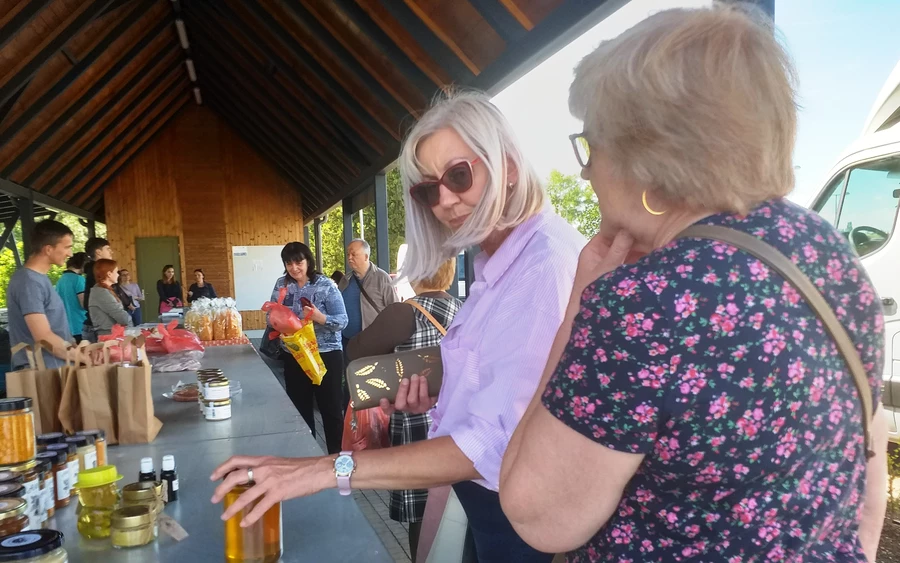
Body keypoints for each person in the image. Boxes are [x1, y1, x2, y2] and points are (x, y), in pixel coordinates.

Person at [497, 6, 888, 563]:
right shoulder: (831, 256)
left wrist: (581, 305)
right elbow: (866, 477)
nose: (587, 171)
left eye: (591, 146)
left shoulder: (644, 302)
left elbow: (537, 515)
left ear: (643, 158)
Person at [210, 92, 585, 563]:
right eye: (428, 189)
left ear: (507, 167)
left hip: (523, 523)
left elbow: (493, 444)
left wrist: (326, 469)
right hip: (488, 509)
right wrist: (444, 393)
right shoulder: (500, 264)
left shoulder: (543, 265)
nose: (444, 200)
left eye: (459, 175)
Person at [347, 258, 462, 560]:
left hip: (416, 422)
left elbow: (356, 351)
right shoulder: (464, 309)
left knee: (422, 509)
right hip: (456, 421)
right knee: (452, 504)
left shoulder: (403, 312)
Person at [268, 242, 348, 454]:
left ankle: (337, 459)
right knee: (299, 409)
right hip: (294, 354)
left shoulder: (326, 285)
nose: (294, 268)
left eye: (299, 262)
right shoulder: (282, 284)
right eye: (289, 263)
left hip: (325, 355)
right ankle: (307, 456)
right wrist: (277, 321)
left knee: (330, 409)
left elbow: (342, 321)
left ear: (308, 261)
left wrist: (319, 318)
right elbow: (272, 314)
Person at [338, 239, 398, 408]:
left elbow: (393, 310)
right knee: (350, 384)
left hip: (372, 344)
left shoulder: (382, 278)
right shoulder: (346, 280)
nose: (349, 257)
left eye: (354, 254)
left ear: (365, 256)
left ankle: (372, 423)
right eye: (348, 253)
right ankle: (351, 422)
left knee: (371, 385)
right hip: (348, 342)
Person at [7, 220, 74, 369]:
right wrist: (82, 356)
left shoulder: (39, 279)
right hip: (41, 373)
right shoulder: (29, 282)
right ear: (48, 249)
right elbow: (43, 337)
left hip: (52, 368)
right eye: (67, 247)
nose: (70, 253)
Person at [89, 259, 134, 336]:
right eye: (116, 272)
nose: (118, 275)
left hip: (112, 334)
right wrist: (132, 331)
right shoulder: (101, 292)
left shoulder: (103, 290)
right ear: (109, 274)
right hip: (109, 336)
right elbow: (121, 317)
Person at [82, 236, 113, 342]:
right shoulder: (95, 272)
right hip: (96, 328)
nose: (111, 252)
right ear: (98, 252)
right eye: (108, 249)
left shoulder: (95, 270)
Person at [55, 252, 87, 344]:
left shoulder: (60, 281)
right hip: (81, 324)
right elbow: (83, 304)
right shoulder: (79, 279)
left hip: (66, 326)